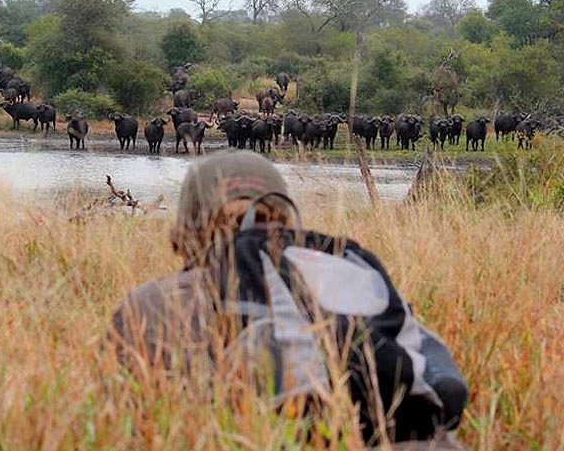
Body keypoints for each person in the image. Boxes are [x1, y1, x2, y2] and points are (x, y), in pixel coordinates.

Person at [110, 151, 468, 448]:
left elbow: (128, 422)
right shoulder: (354, 287)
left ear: (185, 229)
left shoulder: (149, 304)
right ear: (287, 220)